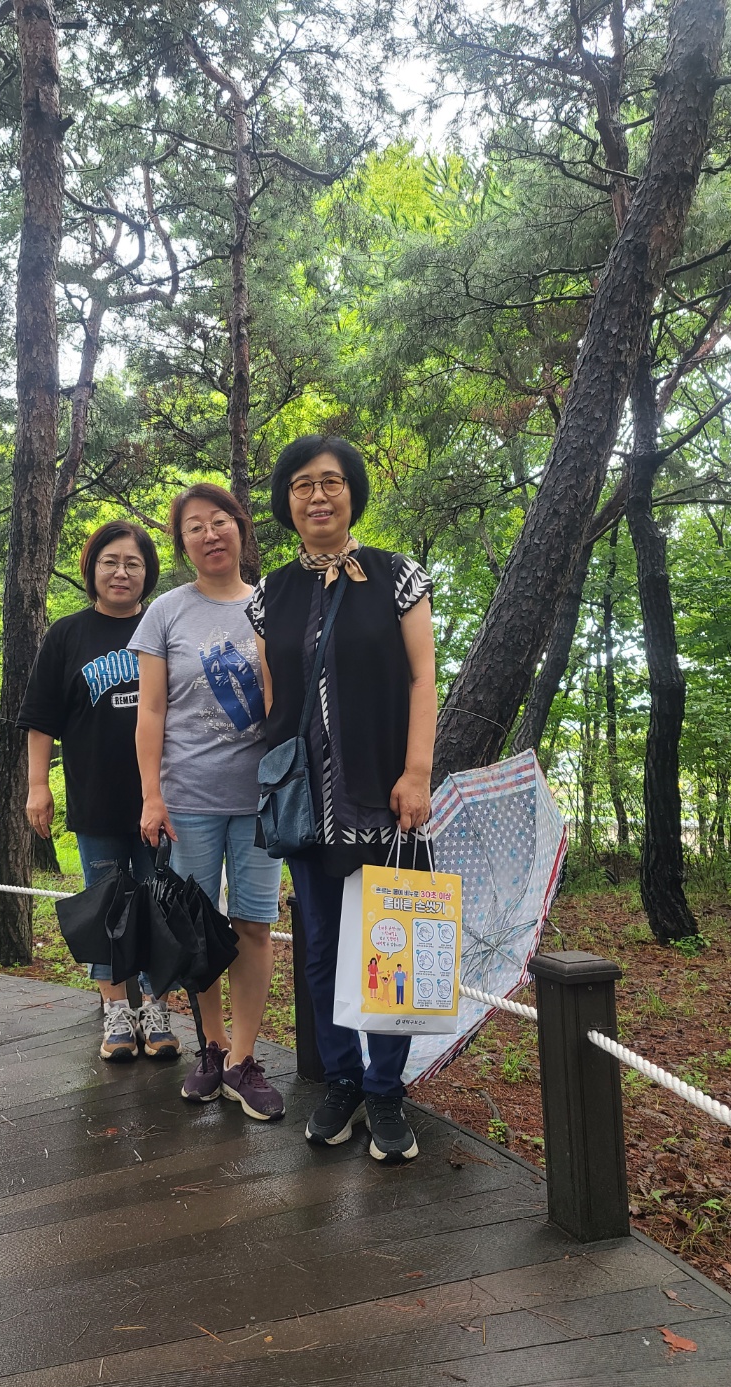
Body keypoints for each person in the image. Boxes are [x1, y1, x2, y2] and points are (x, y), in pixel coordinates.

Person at [248, 435, 437, 1162]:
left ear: (352, 493)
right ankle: (342, 1081)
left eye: (331, 482)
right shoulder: (269, 595)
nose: (318, 496)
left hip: (385, 794)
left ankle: (387, 1090)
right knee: (323, 944)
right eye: (303, 484)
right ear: (287, 501)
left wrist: (416, 771)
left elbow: (422, 678)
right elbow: (274, 696)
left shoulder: (397, 576)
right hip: (306, 804)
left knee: (390, 937)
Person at [131, 483, 285, 1122]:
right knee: (198, 930)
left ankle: (245, 1060)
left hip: (260, 800)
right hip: (188, 799)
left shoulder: (272, 605)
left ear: (240, 528)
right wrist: (152, 796)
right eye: (194, 526)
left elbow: (284, 700)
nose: (209, 534)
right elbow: (151, 710)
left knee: (253, 926)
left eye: (219, 521)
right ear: (183, 543)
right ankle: (213, 1049)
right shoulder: (166, 613)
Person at [18, 520, 180, 1064]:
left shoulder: (163, 626)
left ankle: (157, 1008)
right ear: (92, 569)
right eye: (110, 561)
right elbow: (41, 719)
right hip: (95, 796)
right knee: (105, 904)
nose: (121, 572)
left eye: (133, 563)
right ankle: (115, 1011)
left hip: (162, 798)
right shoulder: (67, 635)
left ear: (147, 573)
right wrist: (37, 786)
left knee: (158, 905)